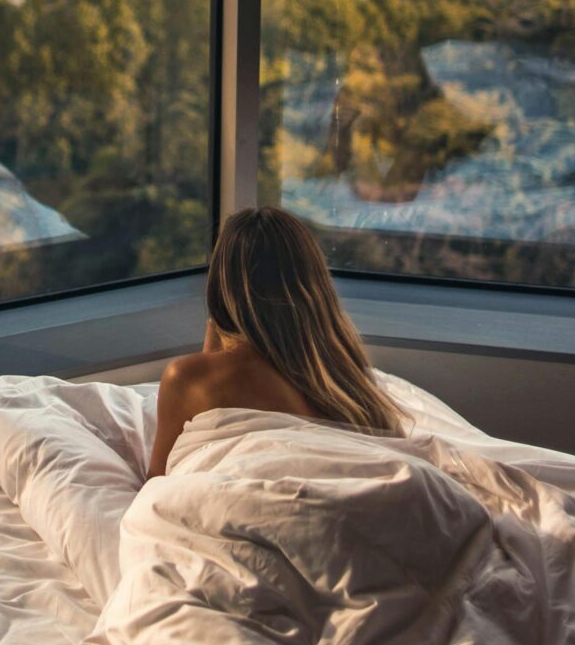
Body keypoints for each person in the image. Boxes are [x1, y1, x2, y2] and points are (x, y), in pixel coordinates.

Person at [148, 204, 404, 478]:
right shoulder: (349, 383)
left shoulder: (188, 378)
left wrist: (209, 357)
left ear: (222, 286)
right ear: (314, 284)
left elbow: (157, 487)